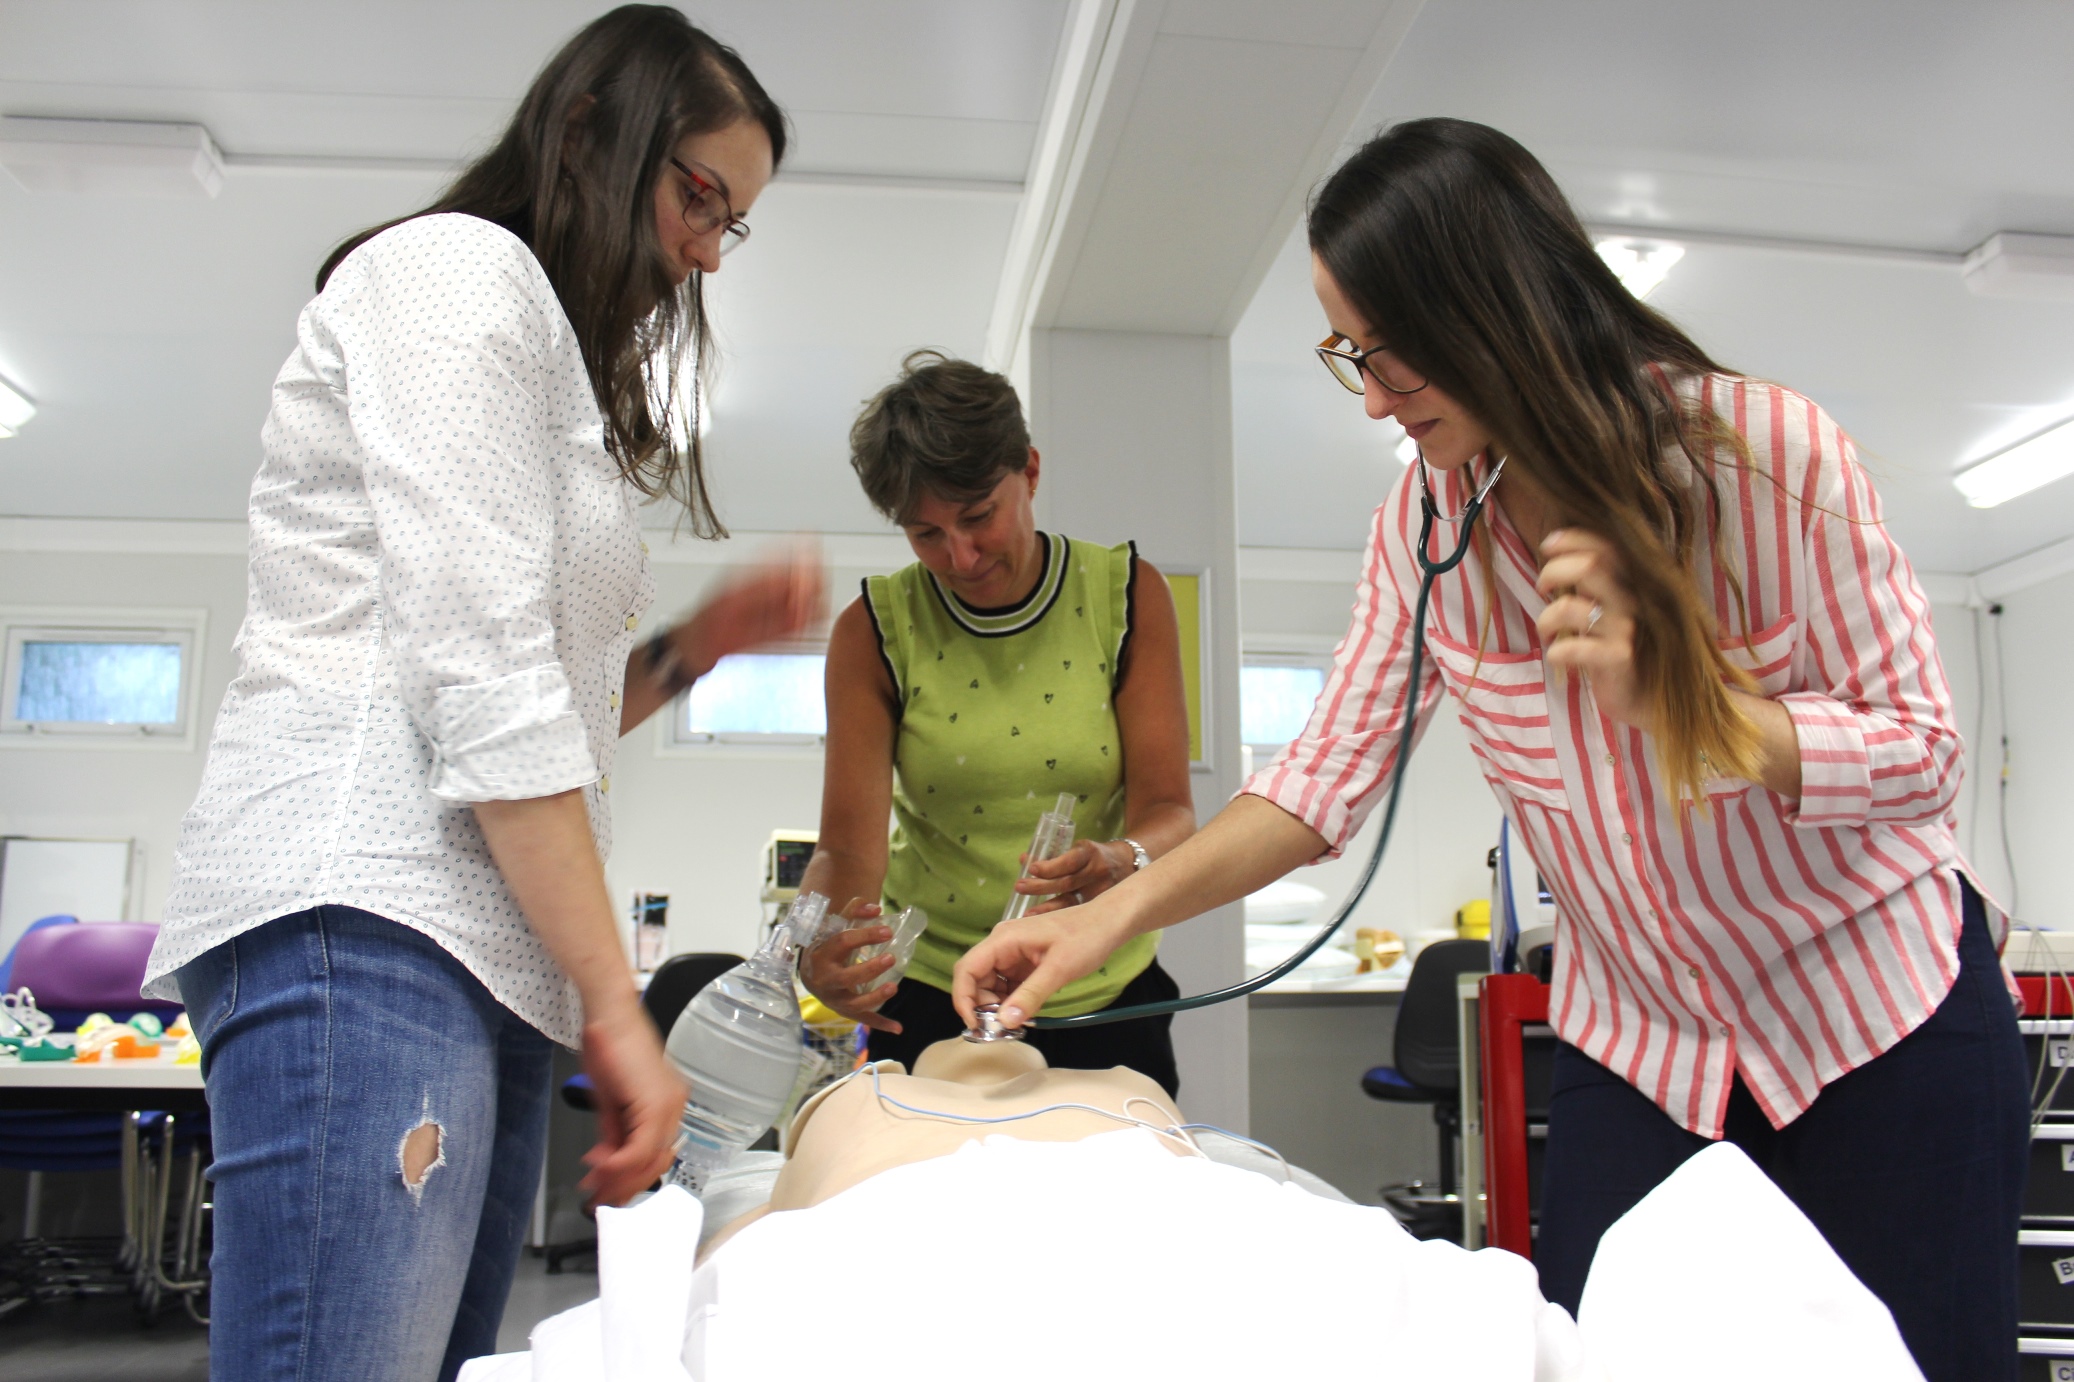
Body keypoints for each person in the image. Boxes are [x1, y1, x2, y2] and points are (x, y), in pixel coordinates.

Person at [952, 118, 2024, 1382]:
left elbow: (1920, 755)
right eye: (1345, 351)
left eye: (1387, 354)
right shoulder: (1424, 525)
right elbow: (1320, 776)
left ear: (1492, 312)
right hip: (1645, 1045)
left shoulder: (1763, 458)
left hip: (1871, 1023)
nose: (1367, 394)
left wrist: (1702, 710)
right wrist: (1108, 918)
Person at [142, 10, 820, 1379]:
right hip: (367, 902)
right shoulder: (454, 272)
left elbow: (532, 695)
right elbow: (483, 683)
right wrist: (618, 1011)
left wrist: (695, 645)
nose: (704, 247)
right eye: (700, 194)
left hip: (476, 946)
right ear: (590, 131)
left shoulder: (543, 360)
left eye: (730, 223)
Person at [794, 352, 1196, 1094]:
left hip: (1103, 994)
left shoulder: (1125, 597)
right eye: (926, 535)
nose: (962, 556)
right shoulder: (874, 631)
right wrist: (818, 938)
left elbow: (1170, 811)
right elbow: (847, 847)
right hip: (935, 994)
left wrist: (1121, 857)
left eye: (979, 516)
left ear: (1030, 473)